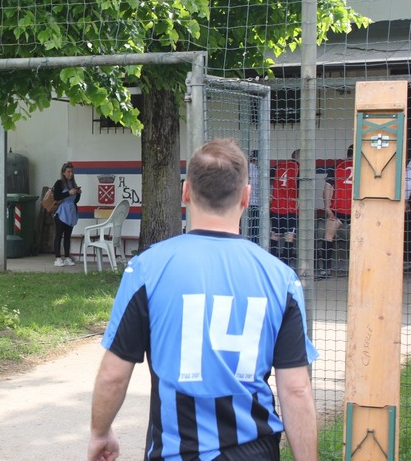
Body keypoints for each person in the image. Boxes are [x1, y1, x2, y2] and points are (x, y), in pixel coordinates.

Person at [88, 138, 318, 461]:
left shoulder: (146, 269)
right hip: (254, 452)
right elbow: (295, 389)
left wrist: (100, 433)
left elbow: (114, 374)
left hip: (176, 452)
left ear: (185, 192)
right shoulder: (281, 279)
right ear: (246, 196)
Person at [318, 144, 353, 279]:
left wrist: (327, 207)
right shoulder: (363, 167)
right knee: (358, 239)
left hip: (338, 207)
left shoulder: (338, 166)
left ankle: (325, 269)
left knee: (328, 237)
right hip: (356, 208)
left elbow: (327, 187)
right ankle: (356, 269)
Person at [270, 149, 300, 265]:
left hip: (276, 205)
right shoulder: (299, 168)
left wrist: (271, 194)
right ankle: (286, 263)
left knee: (275, 234)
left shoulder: (279, 166)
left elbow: (267, 177)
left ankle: (271, 262)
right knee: (289, 235)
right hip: (291, 206)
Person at [52, 161, 82, 267]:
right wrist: (68, 193)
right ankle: (58, 258)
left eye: (72, 172)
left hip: (71, 212)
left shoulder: (73, 184)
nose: (71, 174)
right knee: (59, 235)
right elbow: (56, 197)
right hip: (61, 212)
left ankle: (67, 257)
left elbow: (75, 200)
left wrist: (78, 194)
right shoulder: (59, 183)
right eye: (68, 172)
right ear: (64, 173)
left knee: (68, 236)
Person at [246, 149, 261, 243]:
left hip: (247, 201)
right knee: (254, 227)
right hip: (254, 201)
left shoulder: (247, 168)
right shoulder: (255, 170)